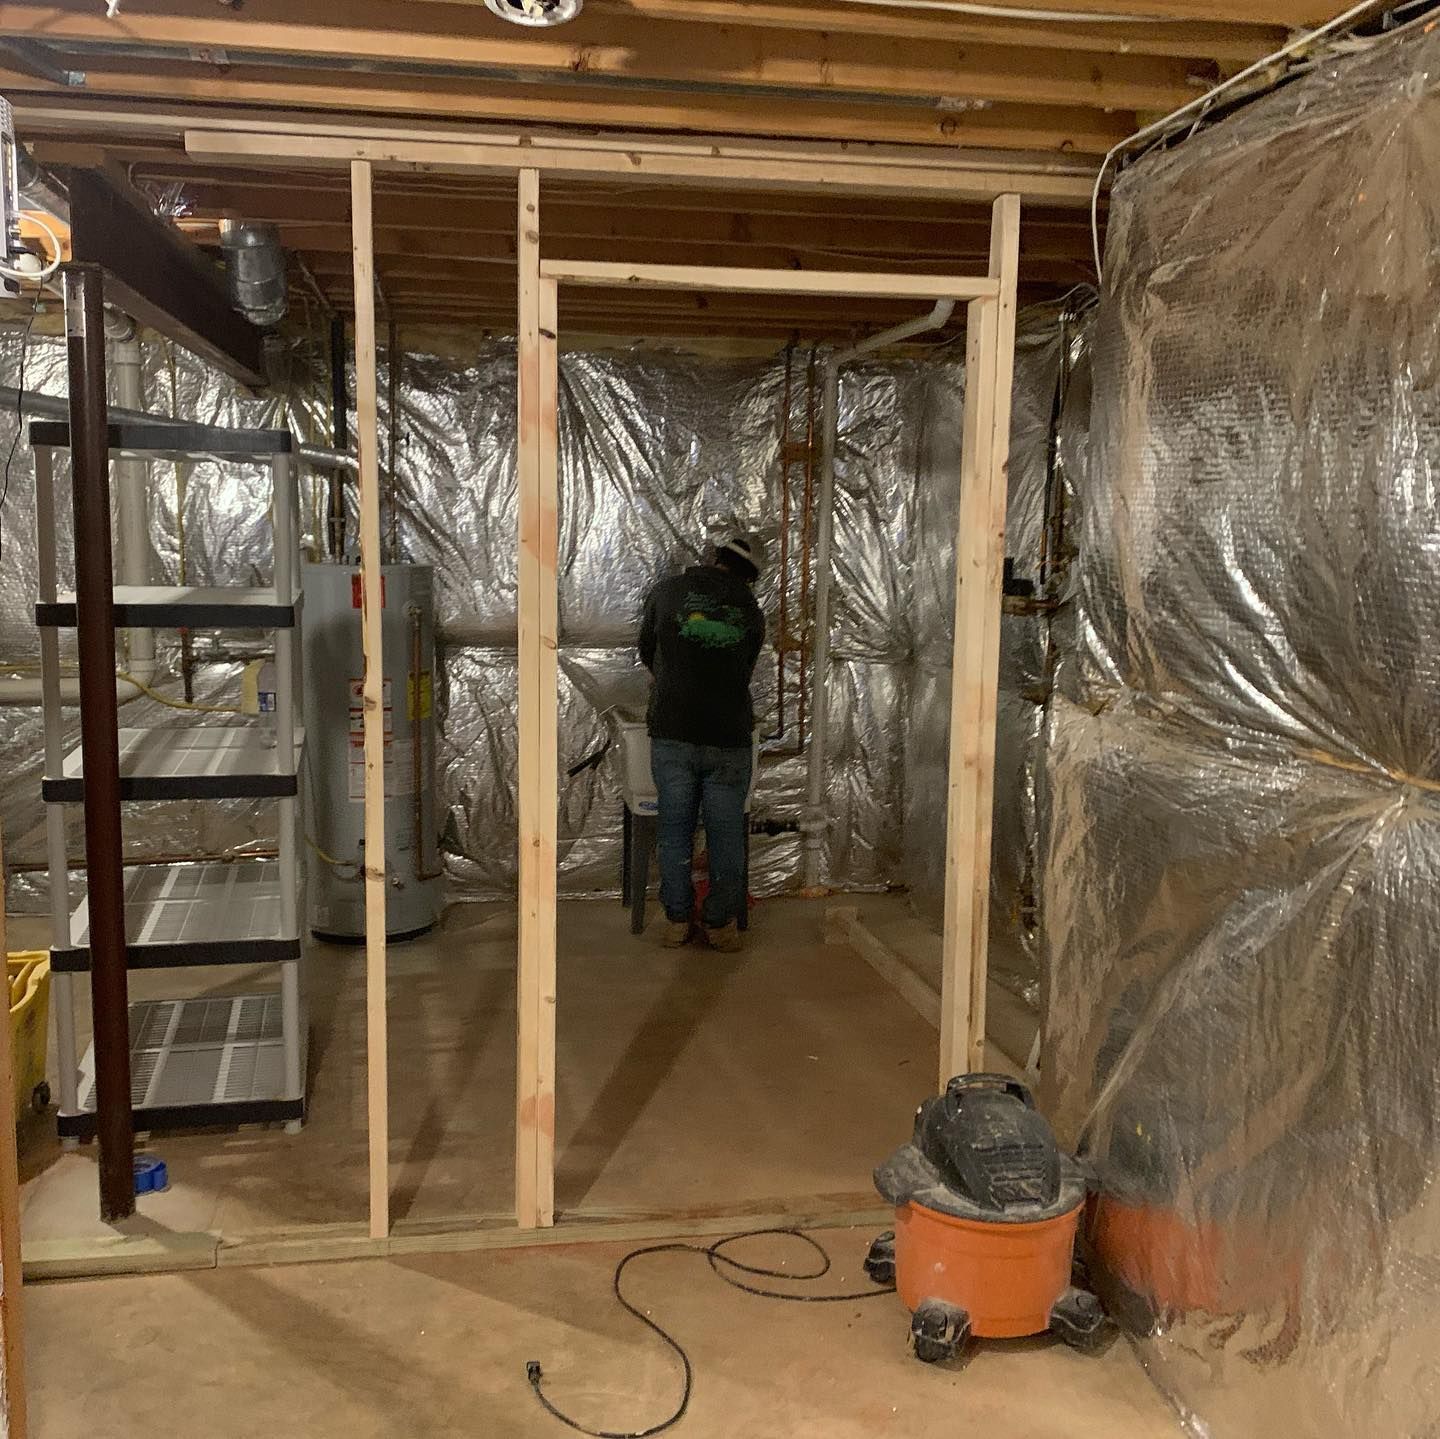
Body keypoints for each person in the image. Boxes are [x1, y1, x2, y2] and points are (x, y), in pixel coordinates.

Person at [638, 535, 765, 952]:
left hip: (673, 730)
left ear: (713, 559)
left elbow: (647, 650)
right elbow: (745, 666)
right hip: (727, 736)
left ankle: (677, 921)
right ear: (749, 576)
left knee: (674, 829)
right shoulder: (748, 608)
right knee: (726, 834)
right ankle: (719, 925)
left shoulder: (668, 592)